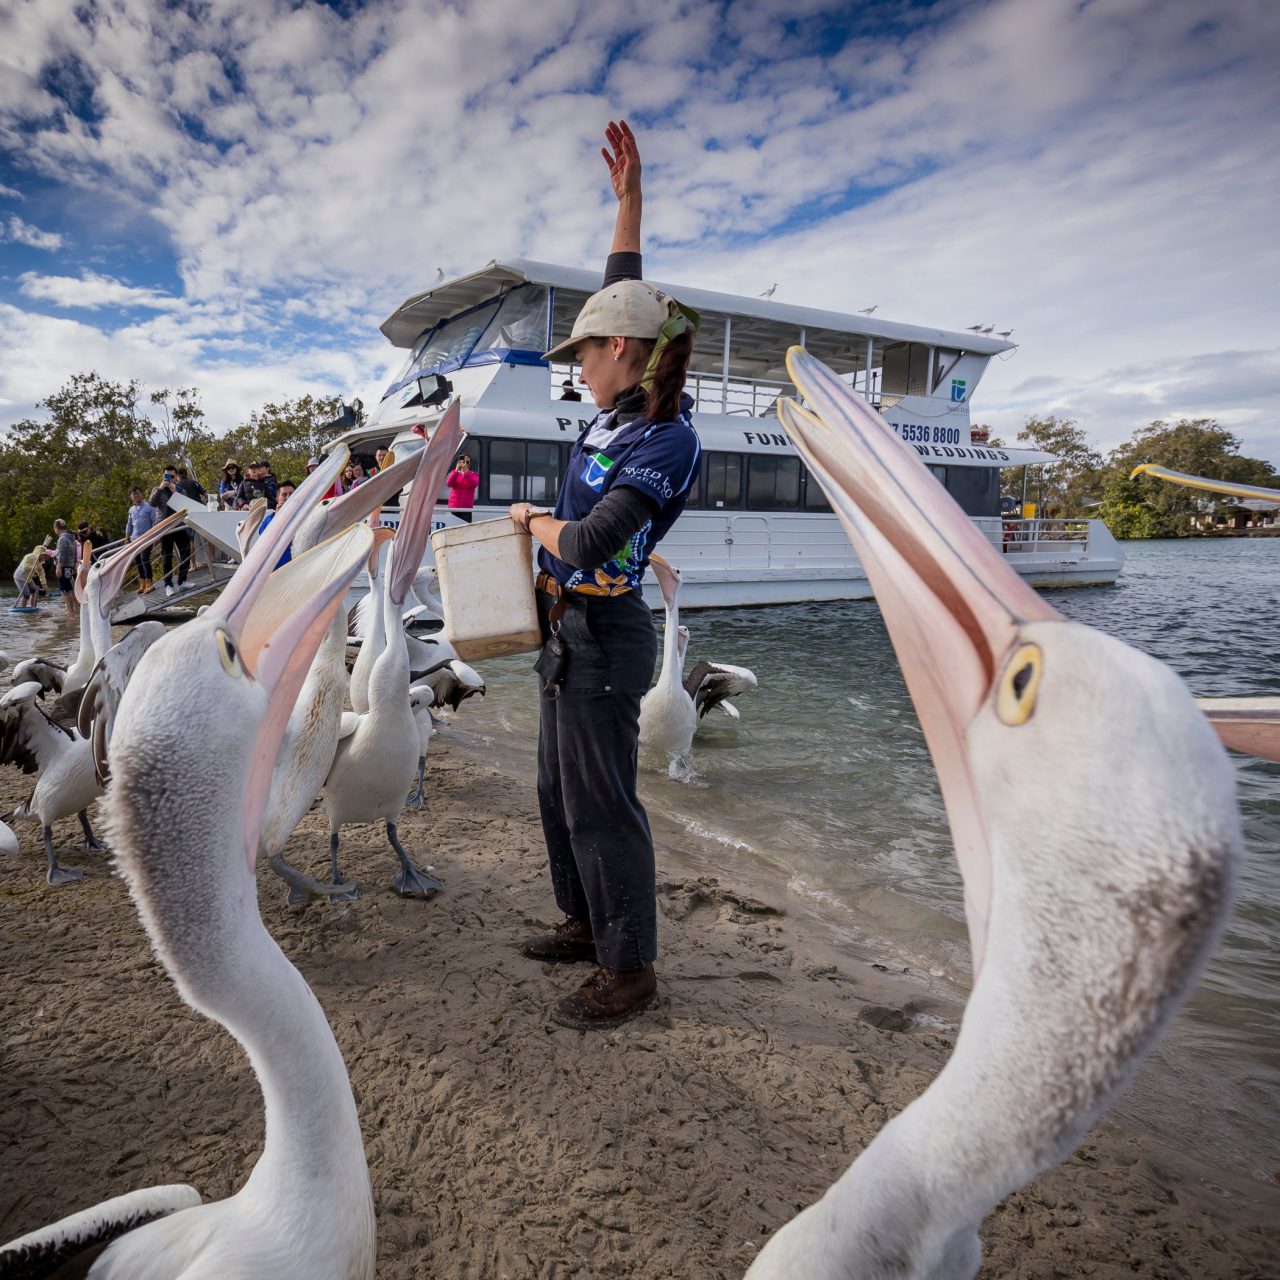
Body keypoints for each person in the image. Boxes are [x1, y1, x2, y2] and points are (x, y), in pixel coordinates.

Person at [509, 120, 700, 1031]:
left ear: (620, 350)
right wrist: (629, 202)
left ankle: (630, 972)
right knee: (558, 791)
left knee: (603, 804)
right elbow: (623, 290)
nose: (577, 365)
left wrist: (528, 522)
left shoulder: (666, 439)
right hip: (565, 630)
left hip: (608, 636)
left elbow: (588, 542)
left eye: (584, 352)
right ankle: (586, 923)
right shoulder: (618, 410)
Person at [149, 464, 190, 597]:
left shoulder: (180, 489)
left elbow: (185, 504)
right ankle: (168, 585)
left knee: (186, 552)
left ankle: (182, 581)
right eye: (167, 476)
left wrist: (174, 492)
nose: (169, 479)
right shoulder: (157, 489)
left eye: (172, 476)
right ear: (163, 476)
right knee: (167, 556)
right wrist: (161, 488)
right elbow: (152, 503)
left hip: (179, 524)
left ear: (176, 477)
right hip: (165, 528)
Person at [125, 485, 160, 594]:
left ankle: (150, 582)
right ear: (131, 497)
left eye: (138, 493)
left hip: (147, 537)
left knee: (145, 558)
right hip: (135, 539)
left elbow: (154, 521)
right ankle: (142, 582)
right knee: (138, 561)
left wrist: (154, 535)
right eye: (134, 494)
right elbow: (129, 524)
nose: (136, 495)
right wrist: (127, 537)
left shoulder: (149, 506)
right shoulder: (131, 510)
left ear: (141, 494)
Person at [256, 480, 296, 568]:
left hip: (298, 568)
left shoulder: (305, 515)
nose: (288, 497)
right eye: (284, 495)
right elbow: (264, 538)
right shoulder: (269, 519)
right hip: (276, 570)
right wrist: (277, 517)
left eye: (291, 494)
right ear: (277, 499)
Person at [53, 519, 78, 615]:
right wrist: (74, 565)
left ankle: (70, 609)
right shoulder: (72, 538)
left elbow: (62, 553)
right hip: (70, 566)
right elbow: (75, 553)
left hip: (64, 566)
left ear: (56, 528)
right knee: (69, 588)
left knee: (65, 589)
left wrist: (58, 567)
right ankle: (74, 608)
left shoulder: (62, 538)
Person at [446, 453, 479, 522]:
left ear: (470, 464)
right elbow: (449, 483)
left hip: (466, 509)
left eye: (467, 462)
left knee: (465, 527)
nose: (465, 463)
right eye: (463, 461)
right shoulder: (455, 474)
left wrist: (466, 472)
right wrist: (456, 470)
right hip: (454, 507)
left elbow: (473, 484)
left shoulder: (474, 475)